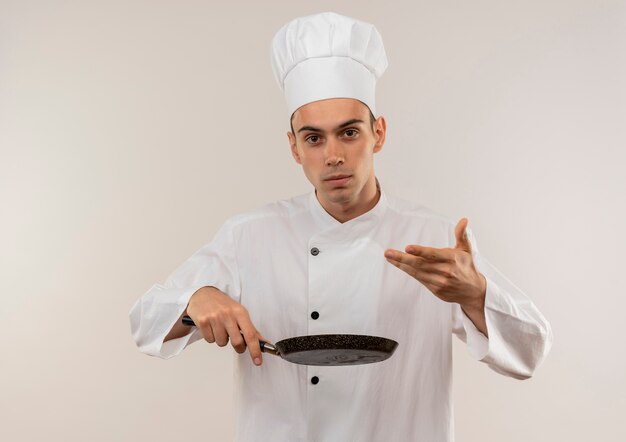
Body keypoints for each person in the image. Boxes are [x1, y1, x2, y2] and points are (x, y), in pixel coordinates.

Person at [129, 11, 553, 442]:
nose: (333, 155)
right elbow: (145, 324)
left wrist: (477, 295)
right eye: (314, 138)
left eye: (349, 133)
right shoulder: (250, 235)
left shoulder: (434, 239)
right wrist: (193, 302)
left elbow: (531, 351)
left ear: (379, 133)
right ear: (294, 147)